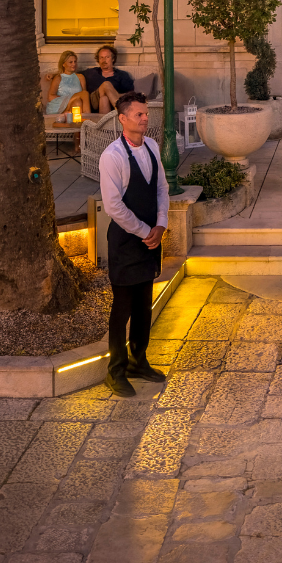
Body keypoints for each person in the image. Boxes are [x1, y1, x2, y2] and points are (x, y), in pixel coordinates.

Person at [95, 92, 169, 395]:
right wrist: (144, 231)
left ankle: (139, 361)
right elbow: (113, 206)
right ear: (122, 119)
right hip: (127, 242)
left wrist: (161, 224)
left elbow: (161, 188)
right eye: (139, 114)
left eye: (146, 113)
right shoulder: (112, 156)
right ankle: (115, 371)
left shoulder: (152, 146)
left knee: (143, 306)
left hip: (151, 238)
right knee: (121, 309)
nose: (145, 118)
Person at [83, 44, 134, 116]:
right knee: (106, 84)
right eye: (101, 57)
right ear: (98, 60)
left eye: (107, 57)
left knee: (105, 98)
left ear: (113, 59)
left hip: (110, 105)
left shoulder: (122, 75)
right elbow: (73, 74)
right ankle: (122, 112)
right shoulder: (91, 72)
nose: (104, 60)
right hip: (94, 102)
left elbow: (130, 94)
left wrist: (113, 94)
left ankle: (105, 126)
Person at [43, 50, 85, 118]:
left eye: (75, 61)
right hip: (60, 106)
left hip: (76, 105)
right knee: (83, 95)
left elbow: (84, 98)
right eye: (70, 62)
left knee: (78, 101)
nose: (74, 64)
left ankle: (78, 122)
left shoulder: (80, 77)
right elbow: (50, 97)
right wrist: (69, 99)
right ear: (63, 64)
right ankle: (88, 120)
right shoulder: (58, 78)